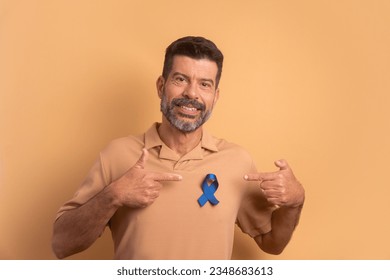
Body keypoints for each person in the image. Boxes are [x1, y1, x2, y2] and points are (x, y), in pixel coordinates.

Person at [52, 36, 305, 260]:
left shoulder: (238, 161)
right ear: (162, 86)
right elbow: (61, 244)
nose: (192, 93)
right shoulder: (117, 155)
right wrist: (113, 195)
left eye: (204, 84)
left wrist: (296, 202)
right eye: (181, 79)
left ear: (215, 96)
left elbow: (273, 242)